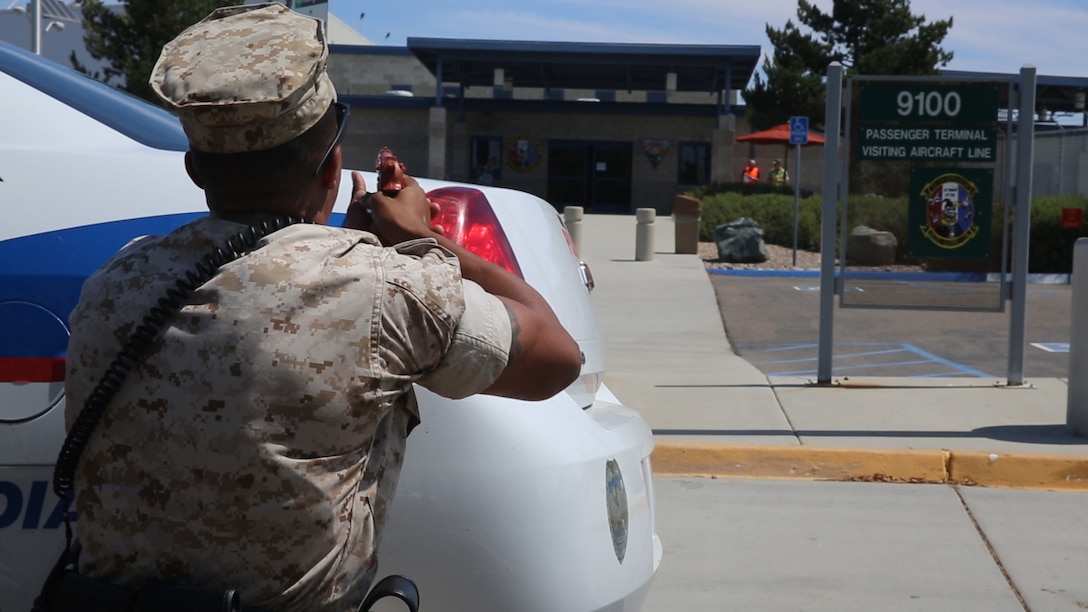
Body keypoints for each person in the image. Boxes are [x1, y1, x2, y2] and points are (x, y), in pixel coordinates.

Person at [60, 4, 581, 612]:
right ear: (334, 164)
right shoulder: (386, 288)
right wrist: (420, 241)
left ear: (195, 168)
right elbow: (557, 357)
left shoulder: (115, 280)